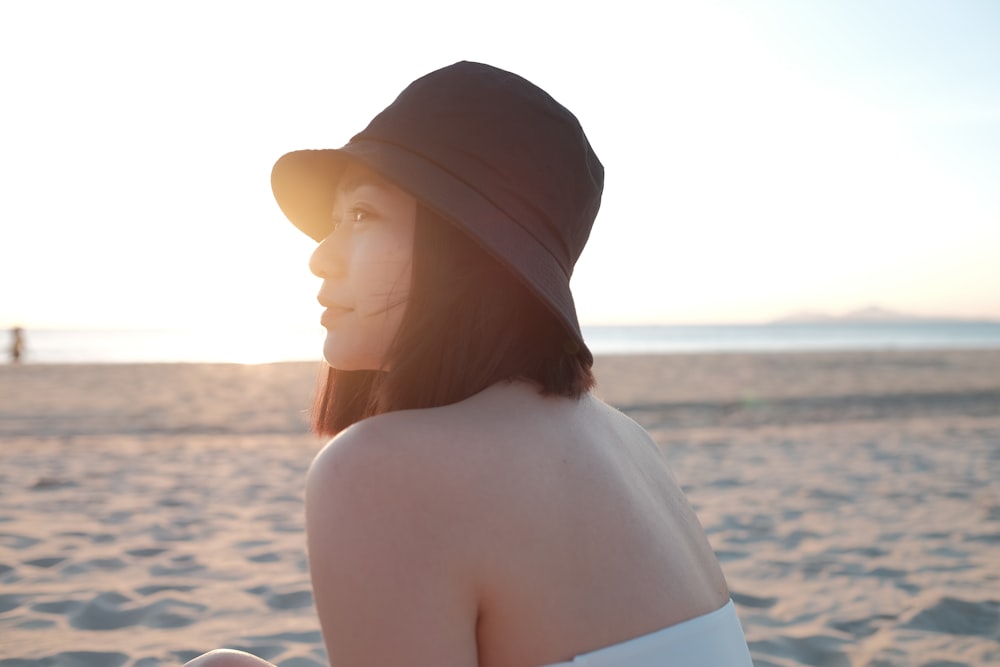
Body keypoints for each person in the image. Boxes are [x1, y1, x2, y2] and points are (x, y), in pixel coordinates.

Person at [185, 62, 753, 667]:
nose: (320, 258)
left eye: (361, 216)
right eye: (333, 221)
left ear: (463, 251)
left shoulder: (377, 469)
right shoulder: (626, 440)